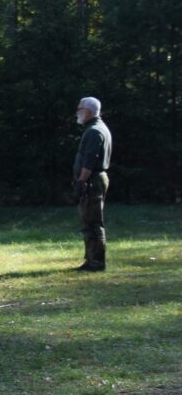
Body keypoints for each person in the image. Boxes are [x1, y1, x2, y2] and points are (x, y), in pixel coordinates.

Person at [73, 96, 111, 271]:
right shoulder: (97, 128)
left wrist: (82, 181)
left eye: (79, 109)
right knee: (89, 220)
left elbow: (90, 160)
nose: (77, 112)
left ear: (87, 111)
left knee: (93, 222)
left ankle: (96, 262)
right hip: (94, 179)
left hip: (92, 180)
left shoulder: (94, 131)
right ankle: (91, 260)